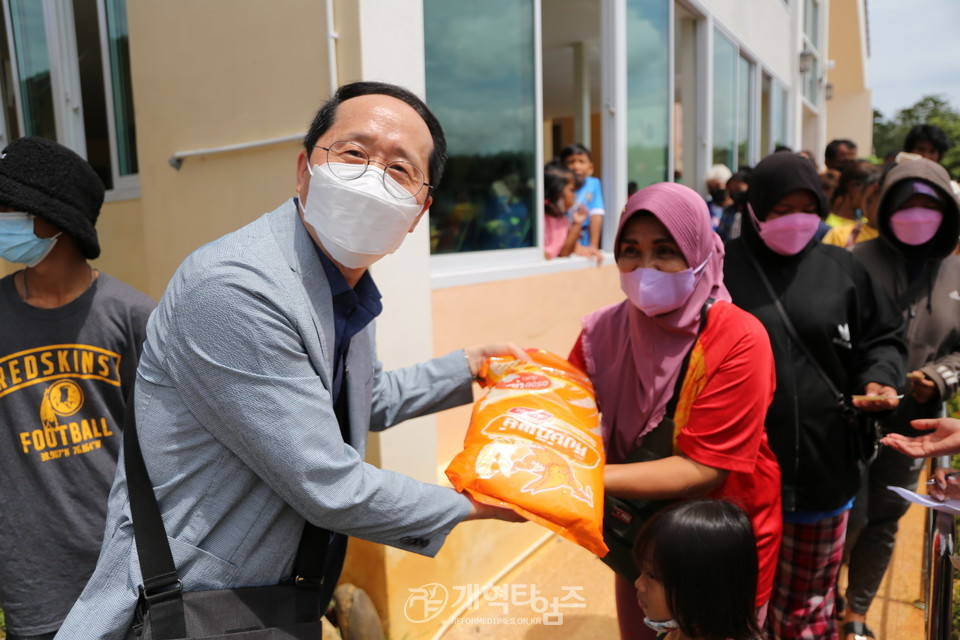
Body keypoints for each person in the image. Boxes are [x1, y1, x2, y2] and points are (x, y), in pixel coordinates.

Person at [54, 81, 526, 640]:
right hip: (186, 605)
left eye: (399, 169)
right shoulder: (237, 287)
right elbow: (328, 484)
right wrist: (473, 504)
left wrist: (466, 367)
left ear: (418, 213)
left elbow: (358, 401)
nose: (372, 178)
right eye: (354, 153)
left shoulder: (340, 285)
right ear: (304, 169)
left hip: (264, 605)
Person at [568, 182, 783, 640]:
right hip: (641, 542)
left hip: (716, 543)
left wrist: (576, 475)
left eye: (665, 251)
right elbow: (566, 407)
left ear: (700, 252)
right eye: (630, 250)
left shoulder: (739, 338)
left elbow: (704, 469)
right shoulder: (602, 331)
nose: (645, 267)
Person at [723, 151, 907, 640]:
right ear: (755, 209)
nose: (795, 221)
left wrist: (879, 377)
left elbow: (883, 338)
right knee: (737, 608)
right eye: (780, 210)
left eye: (807, 208)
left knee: (806, 611)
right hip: (737, 478)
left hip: (825, 471)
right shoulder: (721, 270)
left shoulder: (843, 268)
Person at [0, 136, 155, 640]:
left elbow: (168, 447)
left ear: (55, 219)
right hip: (34, 582)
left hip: (124, 572)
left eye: (8, 208)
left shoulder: (132, 317)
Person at [840, 156, 960, 640]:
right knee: (845, 514)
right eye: (904, 202)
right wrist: (866, 381)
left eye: (926, 204)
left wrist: (939, 377)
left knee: (886, 516)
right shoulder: (853, 263)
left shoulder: (956, 274)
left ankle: (855, 614)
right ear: (885, 205)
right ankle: (822, 602)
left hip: (921, 426)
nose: (915, 213)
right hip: (852, 419)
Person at [632, 499, 765, 640]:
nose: (638, 583)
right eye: (643, 570)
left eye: (652, 575)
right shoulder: (675, 632)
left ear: (703, 589)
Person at [542, 162, 602, 262]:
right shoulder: (540, 219)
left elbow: (565, 252)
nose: (575, 196)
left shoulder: (562, 219)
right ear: (557, 191)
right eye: (572, 190)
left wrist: (577, 224)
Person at [823, 167, 882, 249]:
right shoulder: (831, 228)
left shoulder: (869, 225)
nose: (870, 198)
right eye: (873, 192)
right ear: (852, 186)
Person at [561, 143, 605, 249]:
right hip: (564, 242)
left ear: (591, 168)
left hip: (585, 242)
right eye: (571, 162)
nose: (576, 166)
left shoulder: (593, 184)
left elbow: (596, 214)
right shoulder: (560, 186)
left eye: (581, 161)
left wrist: (593, 246)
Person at [824, 161, 879, 229]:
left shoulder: (869, 223)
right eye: (871, 194)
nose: (874, 199)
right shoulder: (829, 227)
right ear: (852, 186)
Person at [717, 167, 752, 242]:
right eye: (731, 191)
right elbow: (720, 235)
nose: (735, 194)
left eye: (738, 190)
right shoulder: (728, 211)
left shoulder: (754, 212)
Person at [705, 163, 733, 230]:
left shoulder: (735, 209)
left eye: (717, 186)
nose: (714, 190)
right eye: (711, 188)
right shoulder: (705, 208)